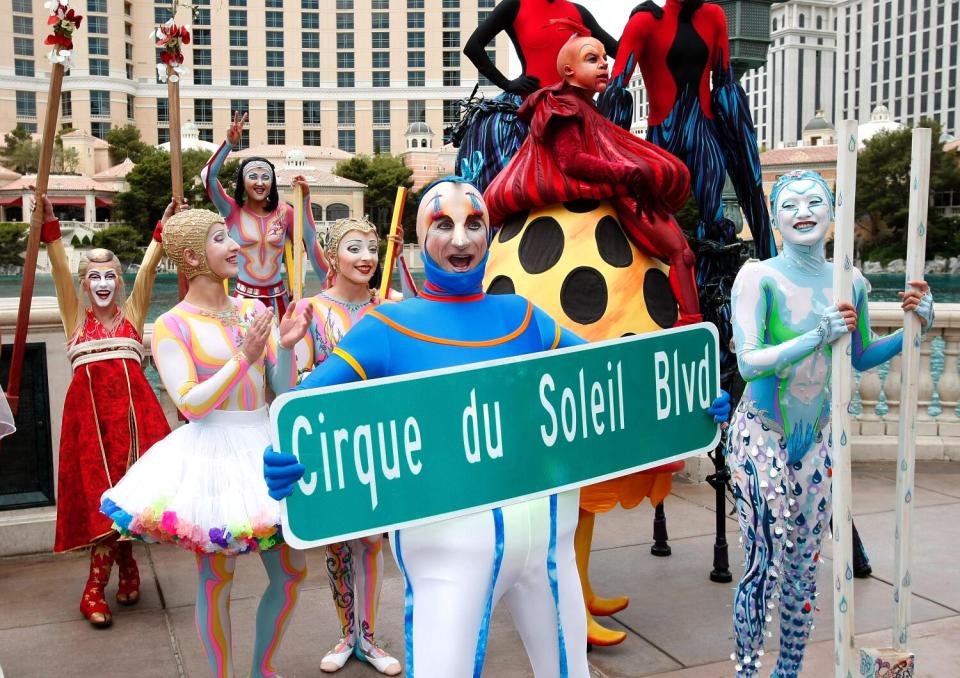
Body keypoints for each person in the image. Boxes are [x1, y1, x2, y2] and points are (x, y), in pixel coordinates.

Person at [266, 177, 731, 677]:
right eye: (443, 224)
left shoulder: (523, 316)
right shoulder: (386, 329)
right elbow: (303, 412)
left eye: (474, 224)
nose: (462, 240)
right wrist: (282, 453)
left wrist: (687, 397)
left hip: (549, 546)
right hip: (447, 554)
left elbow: (614, 378)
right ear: (421, 236)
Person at [727, 170, 934, 677]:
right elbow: (750, 363)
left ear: (832, 212)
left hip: (815, 443)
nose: (804, 210)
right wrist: (817, 334)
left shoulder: (852, 282)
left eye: (815, 200)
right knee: (763, 564)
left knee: (803, 571)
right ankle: (749, 671)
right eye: (791, 203)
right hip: (761, 439)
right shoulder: (758, 276)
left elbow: (860, 356)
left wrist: (916, 329)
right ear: (774, 219)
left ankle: (789, 671)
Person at [100, 209, 314, 677]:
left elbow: (279, 385)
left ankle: (263, 668)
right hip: (213, 454)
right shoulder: (172, 326)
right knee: (216, 579)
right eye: (222, 238)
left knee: (293, 572)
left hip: (263, 447)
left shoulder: (255, 309)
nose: (236, 245)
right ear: (195, 255)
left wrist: (284, 347)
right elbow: (191, 404)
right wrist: (245, 356)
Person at [600, 0, 777, 384]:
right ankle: (661, 311)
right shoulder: (645, 20)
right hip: (663, 143)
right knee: (655, 229)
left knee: (714, 227)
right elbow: (618, 84)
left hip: (705, 136)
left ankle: (718, 330)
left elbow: (725, 84)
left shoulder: (713, 16)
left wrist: (738, 143)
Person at [484, 25, 701, 326]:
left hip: (614, 194)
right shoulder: (560, 104)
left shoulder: (587, 107)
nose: (603, 63)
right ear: (569, 71)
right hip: (609, 196)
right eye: (591, 58)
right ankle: (690, 321)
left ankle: (690, 321)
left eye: (603, 58)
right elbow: (572, 161)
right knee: (678, 250)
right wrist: (627, 173)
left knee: (681, 252)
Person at [34, 192, 174, 628]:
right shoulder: (75, 318)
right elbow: (57, 269)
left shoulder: (133, 315)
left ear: (118, 281)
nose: (102, 283)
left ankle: (127, 565)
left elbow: (149, 270)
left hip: (133, 423)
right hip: (91, 428)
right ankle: (94, 589)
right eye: (94, 276)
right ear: (84, 283)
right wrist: (51, 230)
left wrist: (162, 229)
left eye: (110, 275)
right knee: (103, 504)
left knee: (130, 502)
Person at [291, 216, 402, 675]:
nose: (367, 258)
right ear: (333, 256)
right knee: (338, 544)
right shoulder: (310, 311)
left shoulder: (392, 306)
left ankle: (369, 638)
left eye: (373, 249)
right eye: (355, 248)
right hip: (332, 442)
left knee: (373, 541)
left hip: (381, 440)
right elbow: (291, 383)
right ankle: (347, 634)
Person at [454, 0, 618, 192]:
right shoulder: (514, 6)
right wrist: (507, 83)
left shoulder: (579, 12)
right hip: (527, 114)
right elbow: (473, 47)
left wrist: (637, 23)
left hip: (572, 113)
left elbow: (619, 50)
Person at [200, 111, 328, 314]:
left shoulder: (285, 212)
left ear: (272, 183)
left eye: (265, 177)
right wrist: (228, 144)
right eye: (253, 176)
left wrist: (304, 200)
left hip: (279, 300)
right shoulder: (232, 210)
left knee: (283, 345)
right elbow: (207, 176)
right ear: (243, 181)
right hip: (242, 301)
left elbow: (310, 242)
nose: (260, 183)